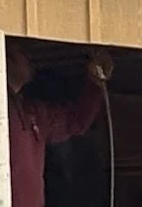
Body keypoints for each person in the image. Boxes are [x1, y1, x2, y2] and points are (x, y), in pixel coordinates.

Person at [7, 43, 112, 207]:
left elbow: (75, 120)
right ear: (7, 58)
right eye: (21, 52)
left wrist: (95, 81)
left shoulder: (32, 112)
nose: (29, 59)